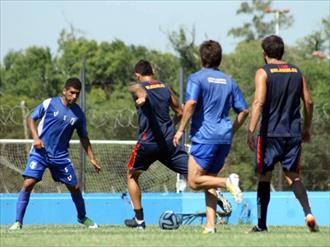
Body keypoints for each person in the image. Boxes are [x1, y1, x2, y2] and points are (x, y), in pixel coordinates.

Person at [173, 40, 249, 234]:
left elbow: (190, 104)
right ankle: (210, 226)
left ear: (202, 57)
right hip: (224, 138)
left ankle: (228, 182)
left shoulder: (197, 78)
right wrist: (232, 130)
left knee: (193, 181)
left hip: (204, 137)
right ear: (219, 58)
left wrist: (181, 129)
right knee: (209, 180)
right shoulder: (229, 81)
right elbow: (244, 111)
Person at [247, 35, 319, 232]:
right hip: (293, 134)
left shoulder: (263, 72)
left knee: (264, 177)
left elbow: (259, 102)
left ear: (264, 53)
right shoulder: (297, 72)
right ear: (282, 52)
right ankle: (308, 213)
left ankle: (261, 225)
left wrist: (251, 130)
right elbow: (309, 102)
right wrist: (306, 128)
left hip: (269, 135)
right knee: (293, 177)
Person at [9, 77, 101, 230]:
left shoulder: (78, 115)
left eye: (77, 94)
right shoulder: (50, 103)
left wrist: (92, 158)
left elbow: (84, 137)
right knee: (28, 183)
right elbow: (31, 119)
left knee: (75, 187)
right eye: (71, 93)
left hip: (61, 157)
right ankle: (18, 222)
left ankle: (82, 217)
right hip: (40, 153)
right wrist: (36, 137)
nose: (74, 96)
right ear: (64, 91)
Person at [124, 59, 188, 229]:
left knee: (132, 175)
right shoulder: (165, 88)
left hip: (147, 144)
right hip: (168, 142)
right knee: (195, 172)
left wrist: (143, 95)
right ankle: (218, 188)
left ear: (138, 75)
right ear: (152, 72)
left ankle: (139, 221)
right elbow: (180, 111)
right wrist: (170, 127)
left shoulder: (139, 87)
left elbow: (135, 87)